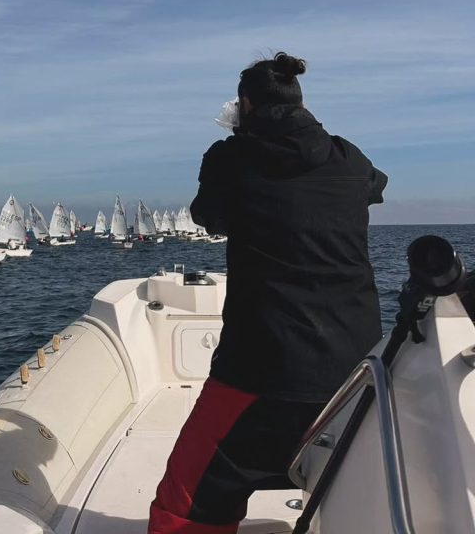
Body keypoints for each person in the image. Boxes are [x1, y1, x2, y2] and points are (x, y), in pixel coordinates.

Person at [148, 52, 388, 534]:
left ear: (244, 105)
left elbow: (209, 216)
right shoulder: (349, 156)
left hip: (261, 365)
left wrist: (240, 142)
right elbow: (374, 187)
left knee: (187, 502)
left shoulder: (230, 157)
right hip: (357, 368)